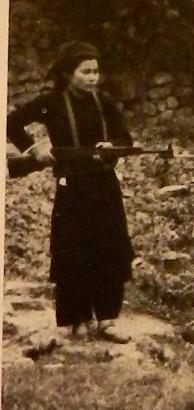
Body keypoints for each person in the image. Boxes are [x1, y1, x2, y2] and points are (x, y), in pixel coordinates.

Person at [6, 41, 134, 342]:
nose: (92, 78)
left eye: (95, 72)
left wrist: (112, 147)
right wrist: (35, 150)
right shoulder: (51, 102)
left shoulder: (105, 103)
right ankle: (78, 319)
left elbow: (125, 138)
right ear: (68, 73)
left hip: (105, 187)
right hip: (72, 188)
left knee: (110, 248)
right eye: (85, 72)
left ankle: (107, 319)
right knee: (74, 251)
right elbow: (11, 122)